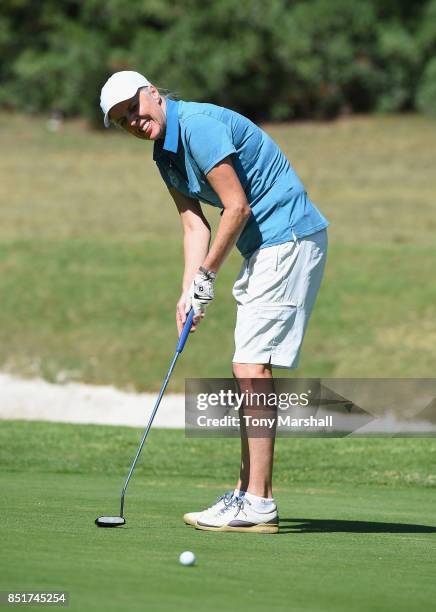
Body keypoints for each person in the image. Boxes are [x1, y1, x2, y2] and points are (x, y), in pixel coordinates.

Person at [100, 71, 329, 534]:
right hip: (265, 247)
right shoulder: (163, 156)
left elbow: (236, 207)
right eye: (123, 120)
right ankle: (247, 494)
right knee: (246, 366)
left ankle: (259, 502)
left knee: (251, 366)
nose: (134, 121)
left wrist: (207, 276)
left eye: (134, 107)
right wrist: (190, 292)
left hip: (288, 236)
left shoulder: (199, 126)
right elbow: (194, 227)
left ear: (153, 94)